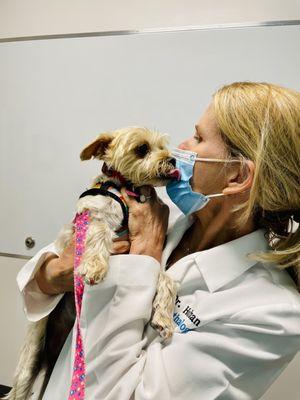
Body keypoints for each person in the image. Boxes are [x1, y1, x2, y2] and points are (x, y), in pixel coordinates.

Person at [17, 81, 300, 399]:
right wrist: (55, 275)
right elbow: (41, 276)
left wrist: (146, 259)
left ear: (237, 177)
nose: (181, 146)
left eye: (198, 137)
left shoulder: (270, 313)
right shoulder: (158, 216)